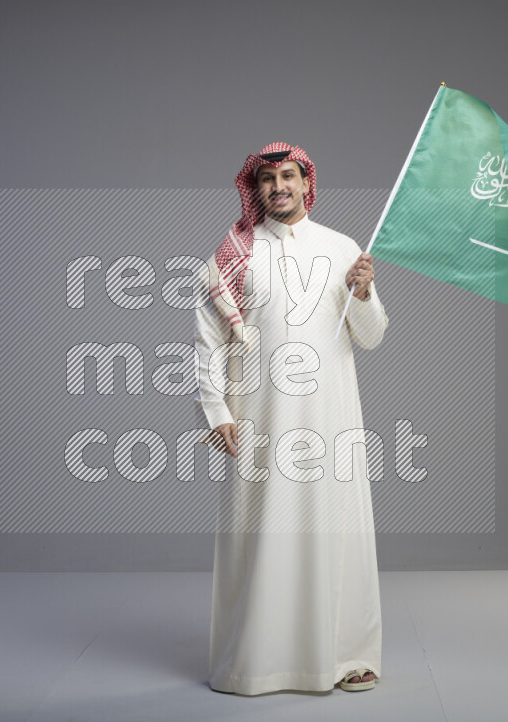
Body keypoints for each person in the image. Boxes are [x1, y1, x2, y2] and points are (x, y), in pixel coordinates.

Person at [193, 141, 389, 695]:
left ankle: (348, 655)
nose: (279, 187)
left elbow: (371, 337)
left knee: (338, 531)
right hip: (259, 418)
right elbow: (207, 340)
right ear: (254, 190)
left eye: (288, 177)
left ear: (307, 184)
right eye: (268, 180)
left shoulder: (343, 247)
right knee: (262, 531)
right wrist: (215, 409)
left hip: (331, 419)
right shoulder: (234, 253)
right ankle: (257, 661)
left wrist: (365, 291)